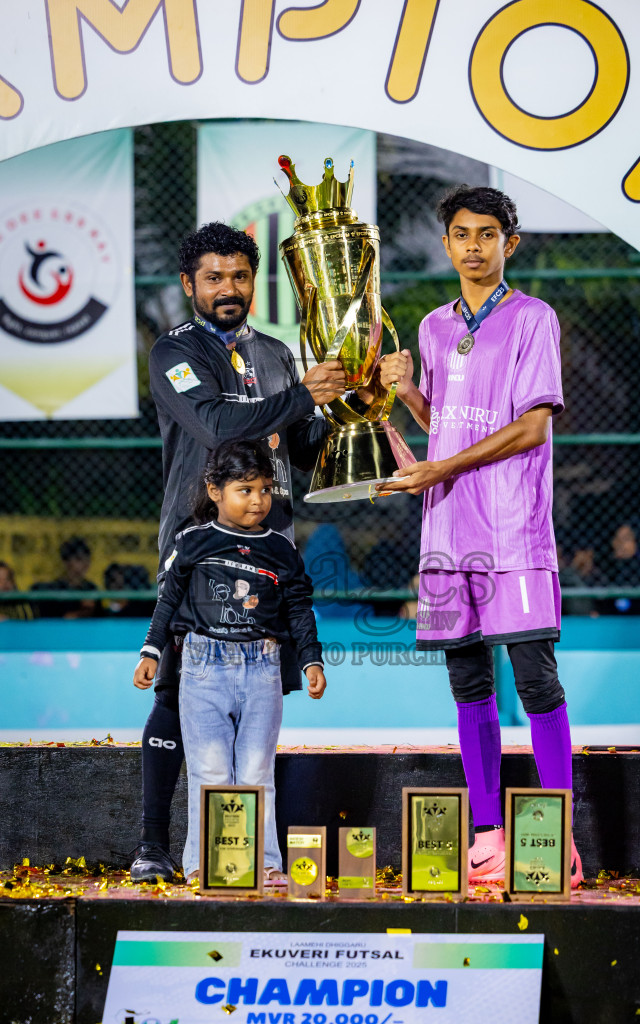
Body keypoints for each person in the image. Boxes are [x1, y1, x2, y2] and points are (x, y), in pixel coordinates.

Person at [379, 185, 582, 887]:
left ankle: (558, 834)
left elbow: (530, 426)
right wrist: (405, 396)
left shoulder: (532, 318)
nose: (473, 245)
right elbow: (444, 421)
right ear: (446, 244)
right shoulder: (433, 326)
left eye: (487, 234)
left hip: (511, 526)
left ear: (509, 243)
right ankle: (490, 834)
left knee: (534, 679)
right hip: (447, 529)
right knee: (467, 681)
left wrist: (442, 463)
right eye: (461, 233)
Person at [131, 222, 345, 882]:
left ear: (255, 281)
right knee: (174, 694)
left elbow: (308, 451)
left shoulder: (278, 354)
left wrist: (355, 404)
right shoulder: (175, 352)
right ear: (188, 284)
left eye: (240, 276)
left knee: (257, 702)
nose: (229, 288)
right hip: (196, 545)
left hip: (270, 544)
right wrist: (303, 395)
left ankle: (248, 855)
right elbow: (217, 426)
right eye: (214, 277)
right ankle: (152, 845)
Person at [133, 440, 326, 884]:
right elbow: (169, 602)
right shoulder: (193, 541)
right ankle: (204, 863)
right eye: (244, 490)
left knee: (258, 771)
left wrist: (312, 661)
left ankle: (268, 864)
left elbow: (299, 608)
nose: (258, 500)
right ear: (215, 491)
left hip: (263, 669)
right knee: (212, 771)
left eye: (265, 489)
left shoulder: (281, 550)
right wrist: (151, 651)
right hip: (202, 670)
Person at [31, 537, 98, 619]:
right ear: (66, 562)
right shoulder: (54, 589)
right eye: (78, 559)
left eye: (87, 560)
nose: (85, 564)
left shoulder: (91, 588)